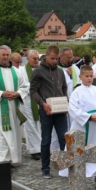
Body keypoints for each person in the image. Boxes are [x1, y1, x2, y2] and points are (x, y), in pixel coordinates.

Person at [61, 65, 96, 190]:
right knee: (78, 150)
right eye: (86, 76)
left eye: (91, 76)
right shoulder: (76, 92)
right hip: (82, 126)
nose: (89, 79)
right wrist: (88, 117)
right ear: (80, 77)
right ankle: (77, 178)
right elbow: (73, 109)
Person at [0, 45, 29, 164]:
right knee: (1, 136)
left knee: (14, 134)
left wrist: (18, 93)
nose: (5, 57)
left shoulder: (16, 71)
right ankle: (2, 161)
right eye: (3, 55)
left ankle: (13, 159)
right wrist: (1, 94)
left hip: (14, 108)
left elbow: (25, 86)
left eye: (7, 55)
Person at [30, 45, 68, 178]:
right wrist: (43, 103)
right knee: (46, 139)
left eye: (56, 59)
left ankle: (66, 167)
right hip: (46, 110)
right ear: (46, 56)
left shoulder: (60, 71)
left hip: (61, 111)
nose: (54, 61)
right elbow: (33, 91)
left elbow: (64, 88)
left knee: (65, 138)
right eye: (52, 58)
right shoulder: (38, 71)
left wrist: (65, 101)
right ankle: (45, 168)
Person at [19, 50, 43, 160]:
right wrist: (34, 86)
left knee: (40, 125)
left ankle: (42, 147)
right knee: (31, 125)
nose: (36, 60)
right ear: (27, 59)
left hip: (40, 100)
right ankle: (35, 149)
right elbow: (22, 85)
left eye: (37, 58)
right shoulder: (22, 71)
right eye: (34, 58)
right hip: (28, 100)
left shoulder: (41, 69)